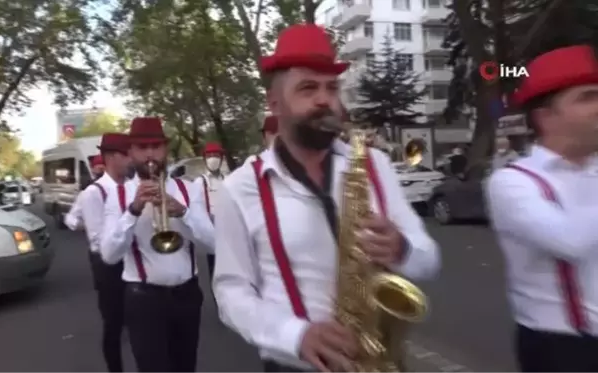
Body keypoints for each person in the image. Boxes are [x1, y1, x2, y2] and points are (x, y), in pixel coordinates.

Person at [213, 24, 440, 373]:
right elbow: (231, 294)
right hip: (297, 365)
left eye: (332, 88)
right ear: (275, 104)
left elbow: (429, 258)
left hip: (381, 358)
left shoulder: (375, 165)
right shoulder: (240, 188)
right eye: (307, 88)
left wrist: (401, 249)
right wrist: (296, 335)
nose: (325, 100)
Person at [485, 45, 598, 373]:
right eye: (587, 97)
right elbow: (570, 241)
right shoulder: (513, 182)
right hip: (564, 350)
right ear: (546, 116)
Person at [99, 117, 215, 373]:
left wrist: (182, 212)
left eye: (156, 146)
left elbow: (214, 244)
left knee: (186, 367)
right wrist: (133, 210)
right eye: (142, 148)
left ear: (165, 150)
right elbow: (109, 255)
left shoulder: (189, 189)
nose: (150, 154)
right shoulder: (118, 196)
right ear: (131, 152)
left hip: (187, 295)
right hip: (143, 300)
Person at [64, 132, 130, 373]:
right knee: (113, 323)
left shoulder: (129, 186)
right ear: (112, 158)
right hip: (107, 264)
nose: (132, 158)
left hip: (129, 259)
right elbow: (98, 239)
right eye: (127, 154)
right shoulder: (93, 193)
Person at [193, 142, 225, 285]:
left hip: (229, 231)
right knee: (216, 274)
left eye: (216, 155)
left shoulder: (226, 179)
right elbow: (197, 211)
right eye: (209, 156)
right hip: (212, 232)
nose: (213, 159)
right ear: (204, 159)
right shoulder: (200, 182)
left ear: (221, 158)